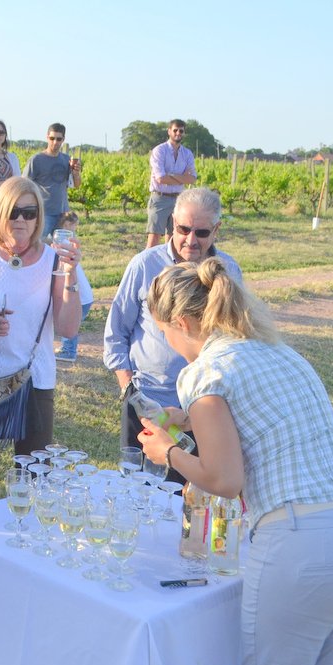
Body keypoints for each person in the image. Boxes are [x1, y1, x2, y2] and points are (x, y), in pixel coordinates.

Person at [138, 258, 333, 665]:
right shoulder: (280, 352)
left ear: (181, 323)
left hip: (306, 543)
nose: (168, 341)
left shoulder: (203, 372)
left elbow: (224, 480)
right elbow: (266, 421)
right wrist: (188, 420)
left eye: (164, 331)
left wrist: (167, 451)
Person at [0, 177, 81, 507]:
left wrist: (71, 274)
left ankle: (25, 535)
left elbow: (68, 328)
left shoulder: (54, 261)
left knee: (34, 477)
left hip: (35, 380)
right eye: (13, 211)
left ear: (39, 216)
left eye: (29, 213)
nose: (21, 220)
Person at [104, 187, 241, 470]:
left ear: (217, 230)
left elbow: (236, 336)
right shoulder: (145, 265)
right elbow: (116, 330)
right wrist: (129, 388)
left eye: (201, 232)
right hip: (147, 401)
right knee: (139, 484)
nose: (190, 240)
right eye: (183, 229)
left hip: (205, 405)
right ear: (172, 224)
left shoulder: (229, 271)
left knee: (194, 487)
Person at [145, 119, 197, 248]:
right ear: (169, 131)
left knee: (173, 238)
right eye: (175, 130)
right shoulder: (159, 151)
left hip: (178, 199)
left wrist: (172, 176)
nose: (178, 133)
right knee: (154, 237)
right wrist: (182, 178)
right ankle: (147, 261)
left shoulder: (187, 154)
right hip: (160, 199)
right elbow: (161, 178)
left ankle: (168, 262)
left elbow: (192, 178)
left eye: (181, 131)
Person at [53, 209, 92, 364]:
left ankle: (69, 351)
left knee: (71, 324)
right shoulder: (69, 247)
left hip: (80, 297)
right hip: (84, 296)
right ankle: (67, 349)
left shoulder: (65, 249)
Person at [25, 122, 77, 236]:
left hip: (63, 213)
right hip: (43, 213)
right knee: (38, 243)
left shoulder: (66, 159)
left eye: (58, 139)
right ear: (47, 137)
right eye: (52, 138)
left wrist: (76, 172)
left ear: (63, 139)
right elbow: (24, 185)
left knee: (65, 245)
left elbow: (76, 184)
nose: (55, 142)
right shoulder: (36, 160)